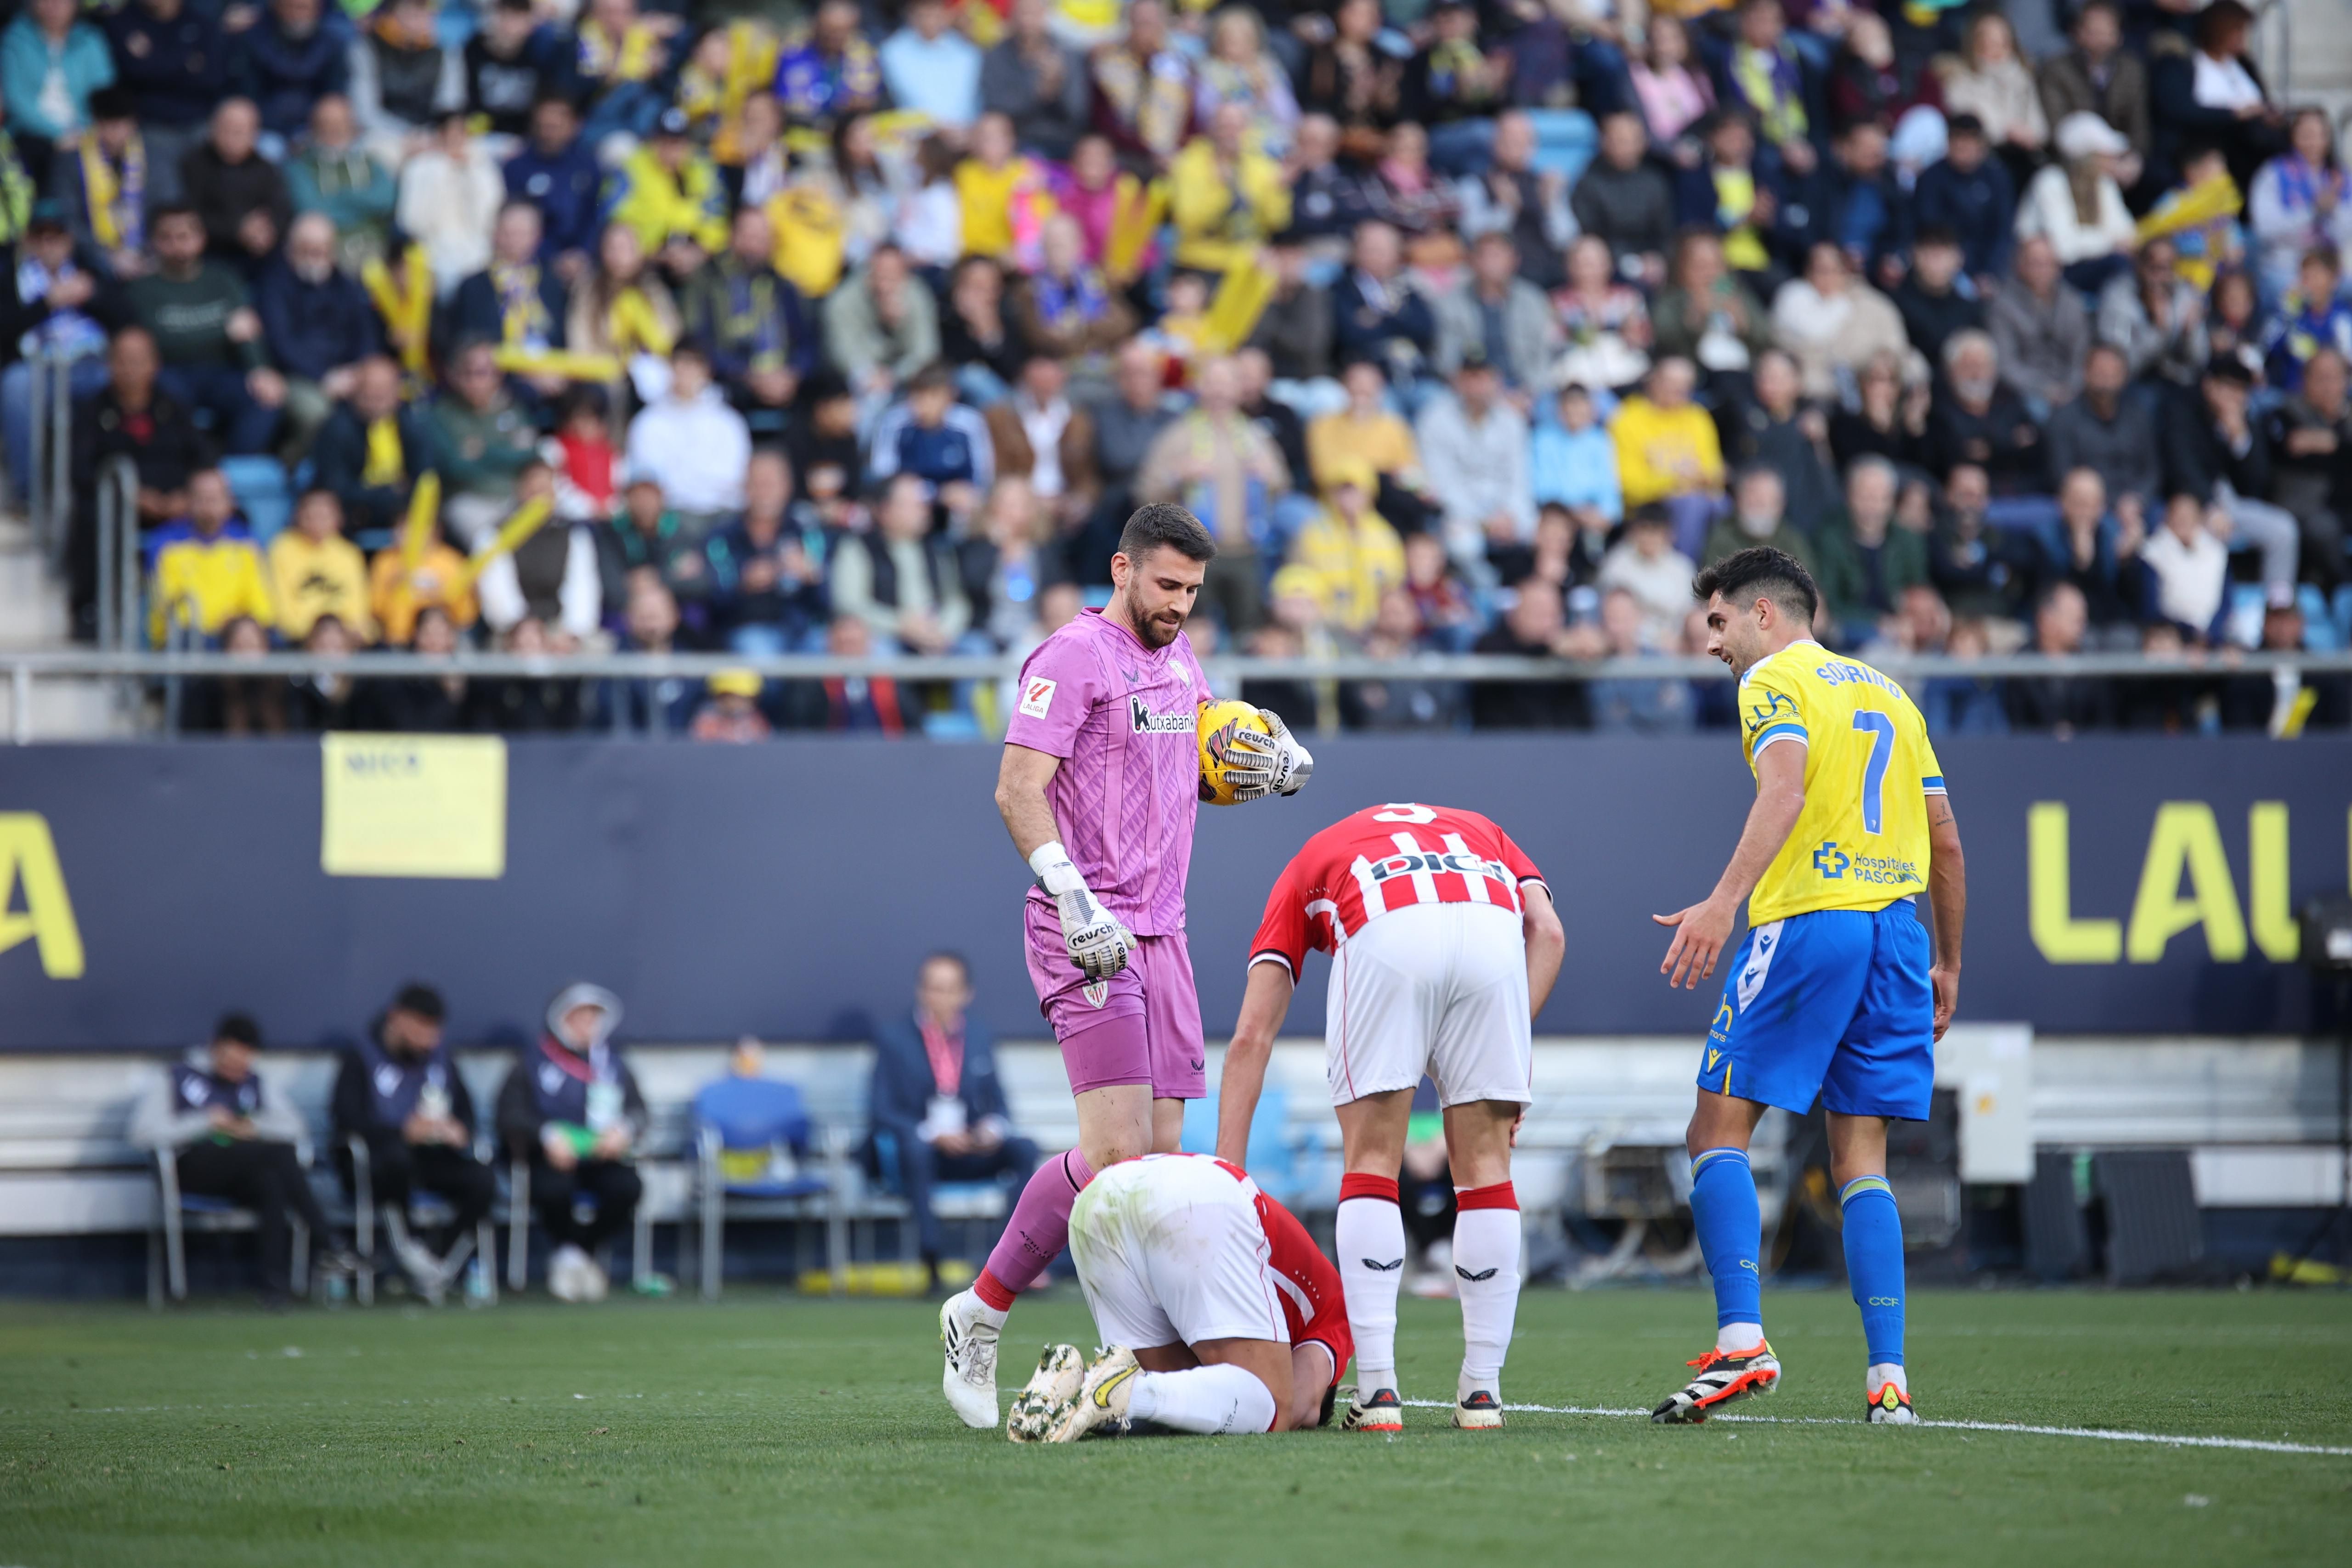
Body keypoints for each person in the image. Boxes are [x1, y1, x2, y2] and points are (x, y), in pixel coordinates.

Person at [937, 502, 1315, 1430]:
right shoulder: (1067, 658)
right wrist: (1071, 896)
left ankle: (1150, 1363)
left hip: (1165, 934)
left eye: (1191, 589)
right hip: (1086, 924)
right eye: (1165, 585)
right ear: (1122, 569)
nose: (1179, 603)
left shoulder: (1181, 662)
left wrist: (1261, 768)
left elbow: (1190, 769)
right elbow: (1015, 790)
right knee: (1113, 1157)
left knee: (1155, 1168)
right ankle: (979, 1311)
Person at [1649, 546, 1965, 1427]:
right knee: (1862, 1159)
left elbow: (1782, 789)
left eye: (1718, 622)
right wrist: (1949, 961)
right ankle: (1889, 1380)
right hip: (1898, 934)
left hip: (1812, 919)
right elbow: (1947, 840)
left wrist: (1721, 904)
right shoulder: (1892, 694)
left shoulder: (1773, 681)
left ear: (1764, 614)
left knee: (1717, 1125)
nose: (1711, 643)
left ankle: (1742, 1338)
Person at [1216, 799, 1562, 1429]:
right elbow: (1550, 932)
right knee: (1486, 1167)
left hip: (1386, 924)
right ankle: (1482, 1392)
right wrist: (1504, 1053)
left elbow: (1251, 1036)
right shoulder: (1485, 828)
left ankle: (1377, 1391)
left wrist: (1226, 1174)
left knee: (1373, 1159)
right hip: (1492, 927)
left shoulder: (1311, 858)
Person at [1004, 1152, 1350, 1440]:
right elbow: (1303, 1406)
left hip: (1101, 1196)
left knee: (1167, 1408)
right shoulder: (1332, 1312)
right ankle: (1129, 1392)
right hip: (1199, 1200)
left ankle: (1066, 1392)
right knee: (1274, 1406)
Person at [127, 1011, 356, 1306]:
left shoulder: (255, 1083)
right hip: (192, 1169)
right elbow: (141, 1133)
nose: (238, 1070)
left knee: (271, 1183)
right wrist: (206, 1122)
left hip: (240, 1172)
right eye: (231, 1060)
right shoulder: (177, 1078)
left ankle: (275, 1288)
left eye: (244, 1061)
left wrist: (253, 1127)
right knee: (279, 1153)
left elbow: (294, 1127)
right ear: (215, 1048)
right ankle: (327, 1240)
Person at [868, 952, 1041, 1295]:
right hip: (925, 1153)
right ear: (921, 991)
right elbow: (881, 1110)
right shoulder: (894, 1038)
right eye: (934, 989)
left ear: (966, 994)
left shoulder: (978, 1035)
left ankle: (1011, 1264)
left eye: (950, 989)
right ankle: (931, 1261)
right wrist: (933, 1134)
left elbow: (1000, 1105)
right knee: (915, 1149)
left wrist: (989, 1131)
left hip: (970, 1149)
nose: (941, 998)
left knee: (1025, 1149)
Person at [330, 982, 492, 1303]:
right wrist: (402, 1132)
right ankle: (408, 1249)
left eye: (434, 1029)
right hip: (378, 1162)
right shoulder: (361, 1057)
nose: (428, 1038)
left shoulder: (441, 1061)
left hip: (432, 1157)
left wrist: (457, 1130)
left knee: (483, 1180)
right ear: (397, 1018)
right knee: (396, 1161)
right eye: (421, 1027)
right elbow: (347, 1120)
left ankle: (437, 1262)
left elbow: (466, 1114)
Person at [495, 983, 645, 1304]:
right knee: (553, 1190)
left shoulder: (613, 1065)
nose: (586, 1026)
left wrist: (624, 1131)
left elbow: (638, 1111)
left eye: (593, 1018)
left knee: (627, 1188)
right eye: (578, 1017)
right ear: (560, 1019)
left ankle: (574, 1255)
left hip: (600, 1157)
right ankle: (578, 1260)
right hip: (551, 1158)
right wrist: (548, 1136)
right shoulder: (533, 1063)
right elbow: (510, 1114)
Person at [125, 205, 283, 455]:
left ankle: (231, 474)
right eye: (167, 238)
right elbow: (160, 341)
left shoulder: (223, 279)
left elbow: (248, 332)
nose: (178, 246)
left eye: (185, 236)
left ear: (201, 238)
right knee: (165, 403)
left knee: (265, 399)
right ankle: (190, 470)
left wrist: (260, 369)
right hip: (168, 373)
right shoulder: (142, 290)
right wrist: (223, 330)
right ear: (154, 241)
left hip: (220, 371)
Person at [623, 342, 751, 525]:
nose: (685, 373)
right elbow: (646, 477)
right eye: (679, 365)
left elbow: (735, 476)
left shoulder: (729, 422)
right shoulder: (648, 423)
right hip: (672, 516)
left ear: (706, 371)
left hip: (724, 514)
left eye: (692, 366)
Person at [269, 488, 372, 643]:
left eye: (324, 516)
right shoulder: (282, 549)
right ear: (299, 516)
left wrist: (344, 633)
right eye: (311, 516)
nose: (317, 522)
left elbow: (358, 609)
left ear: (338, 519)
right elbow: (283, 610)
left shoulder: (350, 554)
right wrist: (317, 634)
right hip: (299, 640)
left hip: (344, 639)